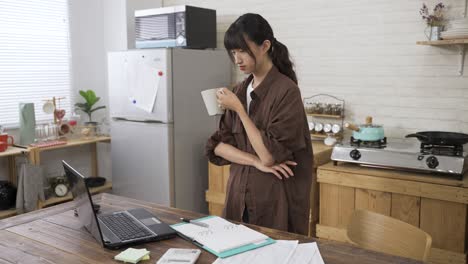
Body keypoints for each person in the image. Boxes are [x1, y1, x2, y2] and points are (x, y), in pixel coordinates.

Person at [205, 13, 313, 235]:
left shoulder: (287, 92)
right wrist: (254, 162)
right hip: (238, 200)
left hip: (274, 205)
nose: (237, 60)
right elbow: (218, 147)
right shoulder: (239, 91)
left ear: (265, 46)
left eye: (243, 51)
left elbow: (269, 157)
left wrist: (240, 110)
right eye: (233, 52)